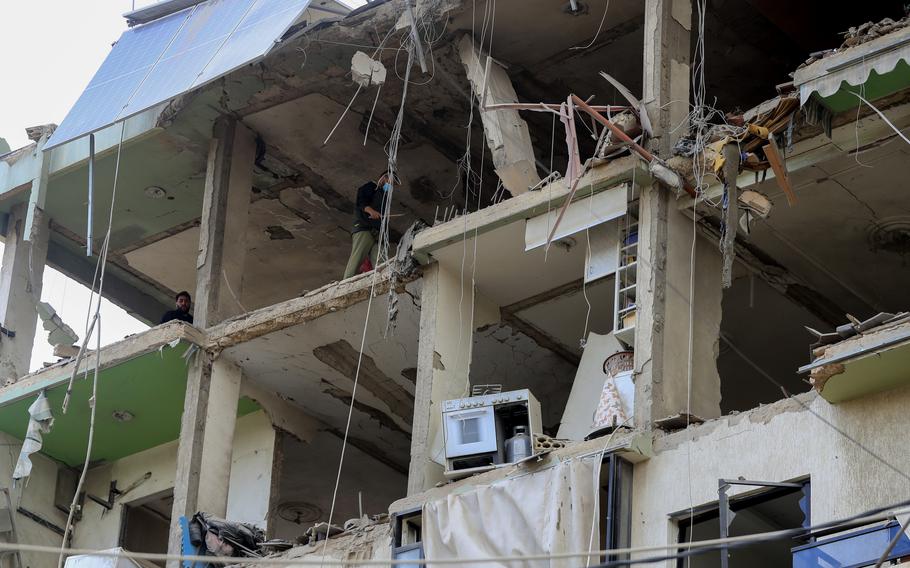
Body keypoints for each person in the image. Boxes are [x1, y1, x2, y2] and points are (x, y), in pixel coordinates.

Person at [342, 171, 400, 279]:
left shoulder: (384, 196)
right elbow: (361, 202)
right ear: (383, 178)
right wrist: (371, 211)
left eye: (392, 185)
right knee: (357, 257)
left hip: (377, 232)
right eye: (390, 183)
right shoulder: (370, 187)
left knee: (380, 259)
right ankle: (346, 282)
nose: (391, 186)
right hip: (364, 227)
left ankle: (383, 280)